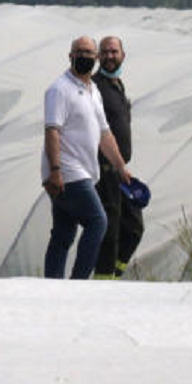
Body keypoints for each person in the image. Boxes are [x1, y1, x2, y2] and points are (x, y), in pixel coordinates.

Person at [42, 36, 132, 279]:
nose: (84, 57)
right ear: (70, 56)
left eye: (89, 53)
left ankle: (52, 284)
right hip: (68, 170)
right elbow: (52, 130)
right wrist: (55, 170)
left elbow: (105, 133)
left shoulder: (93, 91)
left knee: (63, 232)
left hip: (84, 171)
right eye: (79, 52)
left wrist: (121, 168)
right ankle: (79, 281)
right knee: (98, 221)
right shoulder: (60, 89)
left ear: (96, 58)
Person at [93, 36, 144, 279]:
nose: (109, 56)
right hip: (103, 169)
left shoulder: (118, 87)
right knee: (109, 231)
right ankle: (103, 280)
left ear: (123, 55)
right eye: (104, 52)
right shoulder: (94, 88)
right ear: (97, 57)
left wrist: (122, 166)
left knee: (133, 228)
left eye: (114, 52)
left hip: (120, 170)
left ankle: (114, 274)